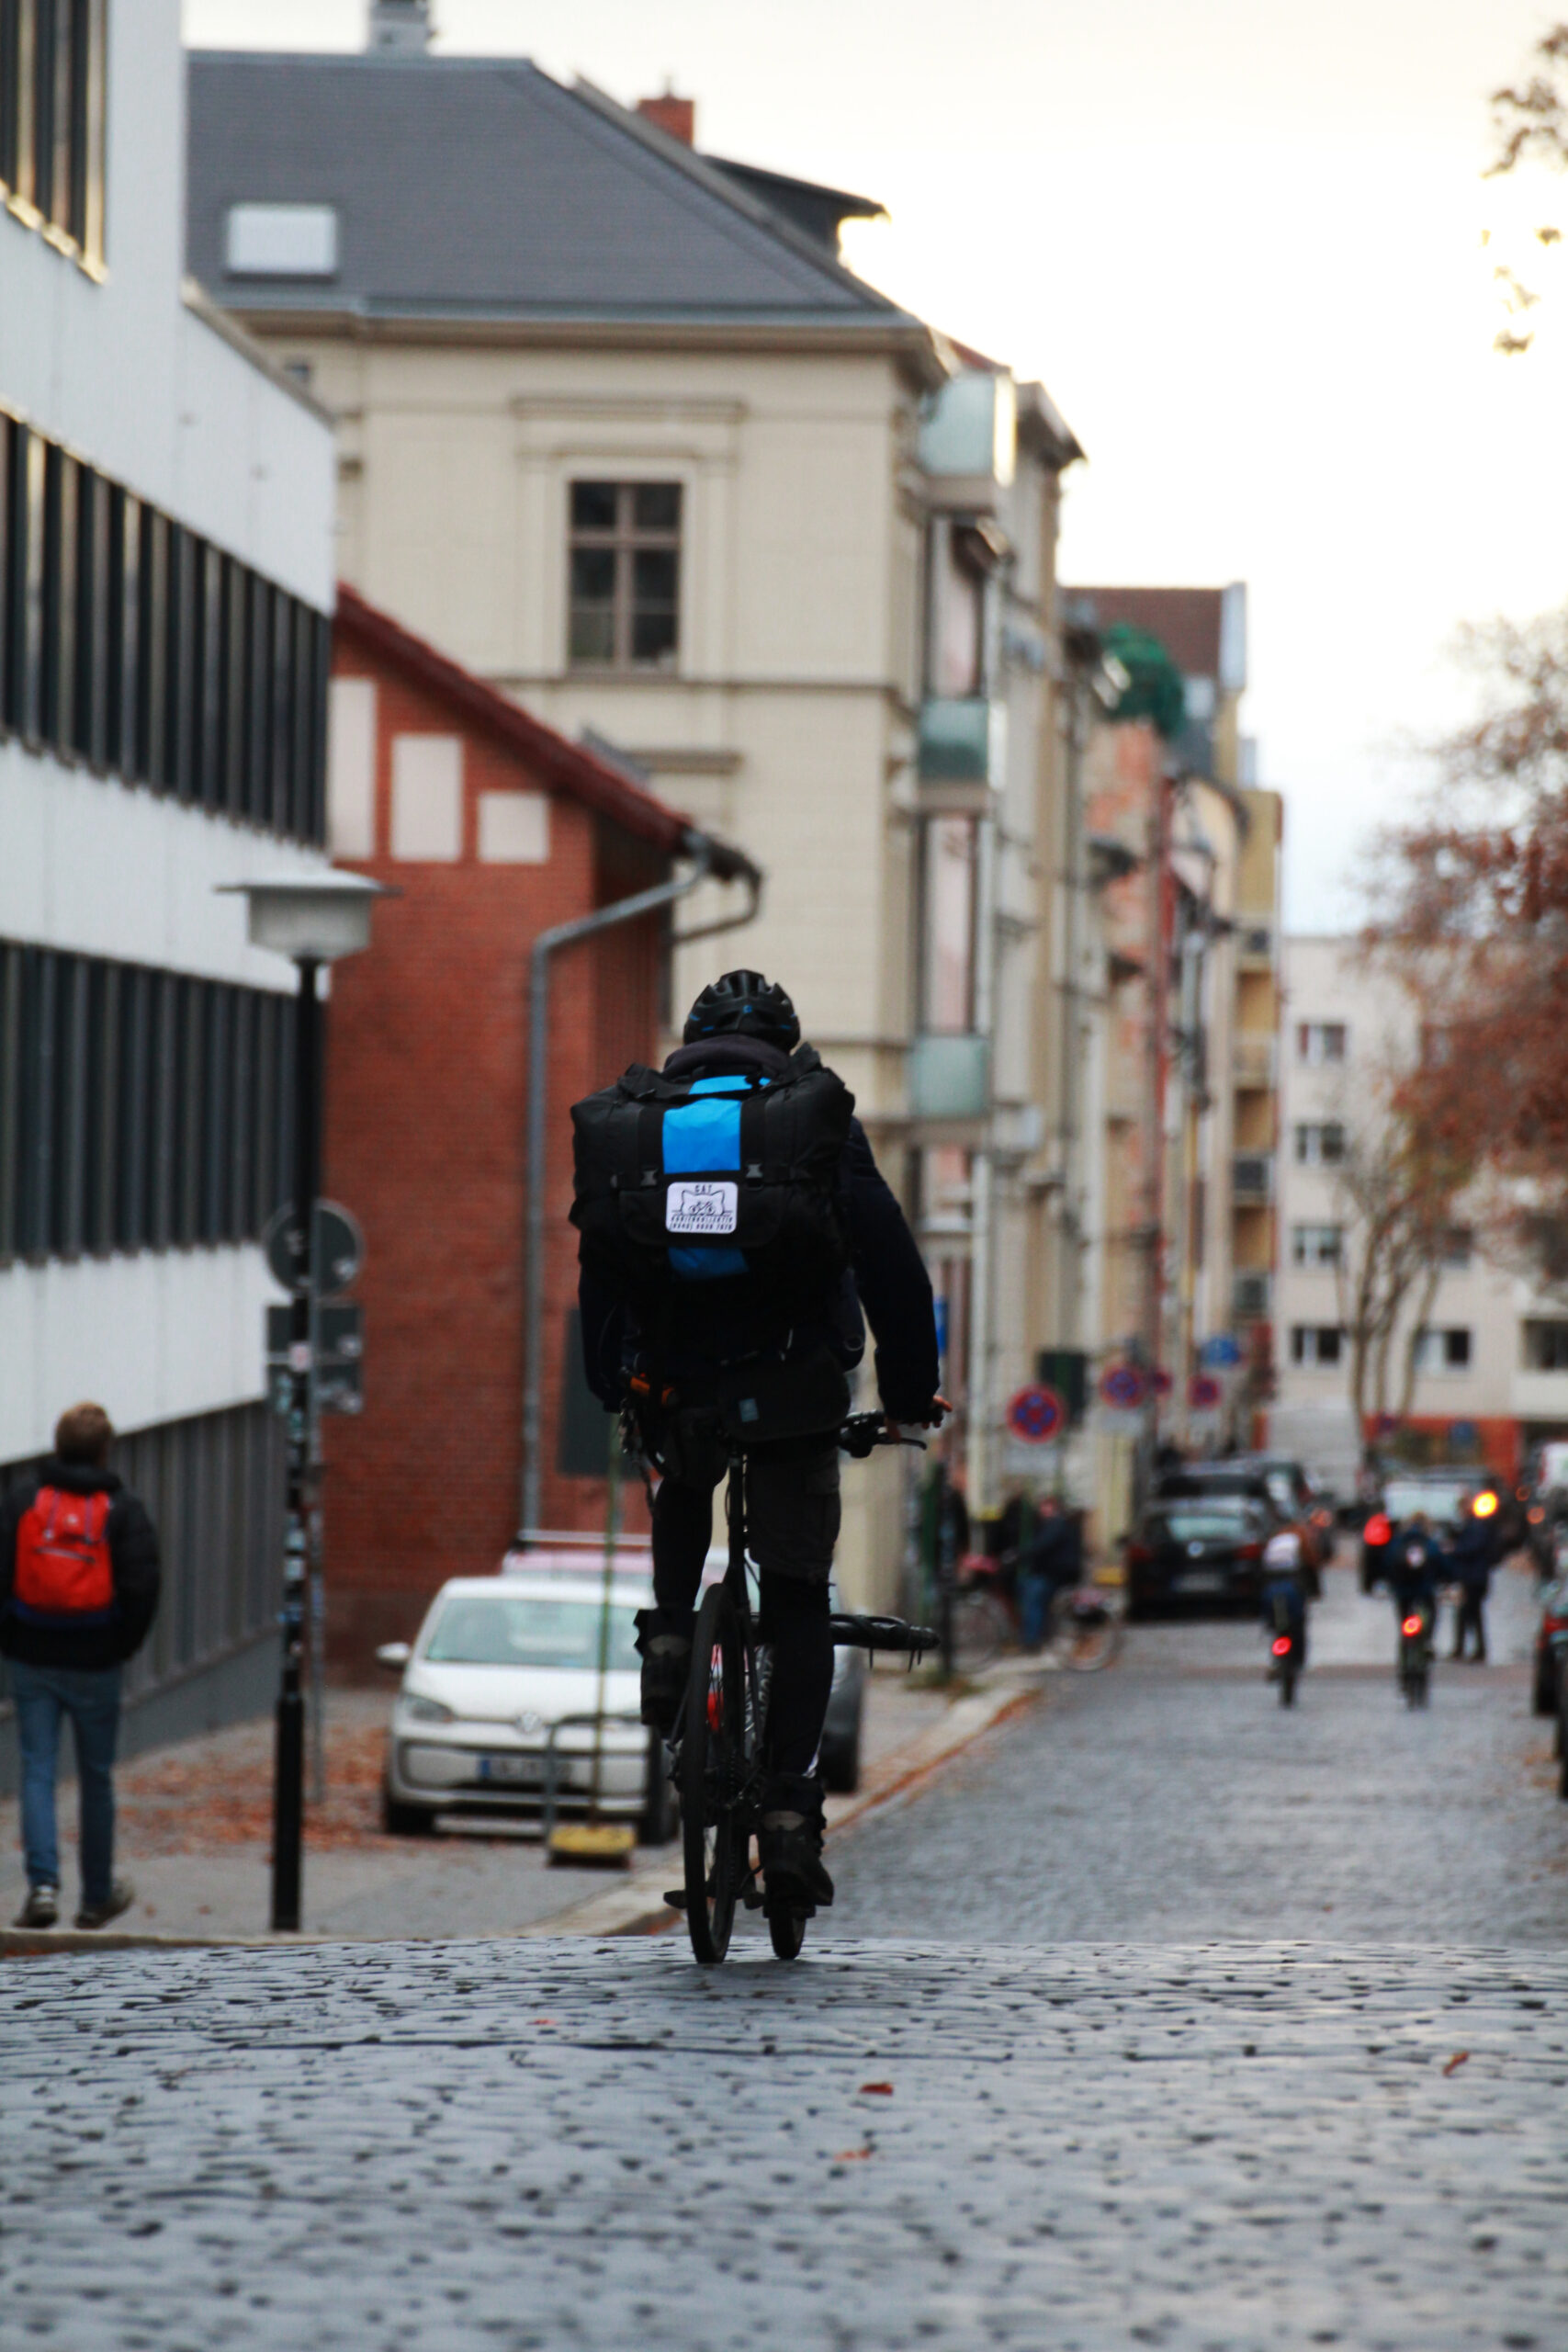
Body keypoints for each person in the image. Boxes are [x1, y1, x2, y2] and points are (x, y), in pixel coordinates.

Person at [574, 970, 942, 1912]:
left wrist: (616, 1383)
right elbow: (890, 1261)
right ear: (787, 1046)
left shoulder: (640, 1121)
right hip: (793, 1390)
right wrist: (907, 1392)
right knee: (795, 1597)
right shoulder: (812, 1119)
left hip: (677, 1384)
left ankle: (666, 1635)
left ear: (689, 1043)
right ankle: (785, 1818)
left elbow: (604, 1264)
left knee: (680, 1479)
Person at [0, 1403, 160, 1930]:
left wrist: (12, 1636)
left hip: (32, 1656)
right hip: (96, 1662)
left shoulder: (23, 1501)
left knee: (38, 1771)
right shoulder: (122, 1509)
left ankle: (42, 1888)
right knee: (96, 1779)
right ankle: (95, 1896)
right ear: (103, 1449)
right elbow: (142, 1586)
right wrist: (119, 1646)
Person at [1017, 1495, 1084, 1651]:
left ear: (1055, 1508)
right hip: (1055, 1572)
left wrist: (1021, 1554)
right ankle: (1038, 1635)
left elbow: (1042, 1546)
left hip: (1053, 1573)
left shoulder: (1056, 1524)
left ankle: (1032, 1640)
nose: (1043, 1510)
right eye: (1042, 1507)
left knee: (1034, 1600)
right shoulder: (1055, 1524)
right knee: (1035, 1598)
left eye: (1047, 1506)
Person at [1447, 1494, 1497, 1664]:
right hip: (1472, 1577)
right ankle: (1469, 1649)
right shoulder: (1471, 1526)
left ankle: (1473, 1649)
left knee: (1470, 1614)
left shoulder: (1476, 1527)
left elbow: (1473, 1547)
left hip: (1474, 1578)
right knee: (1469, 1614)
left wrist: (1455, 1549)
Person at [1385, 1510, 1442, 1651]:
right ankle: (1427, 1641)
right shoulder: (1429, 1543)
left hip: (1403, 1590)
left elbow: (1387, 1562)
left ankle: (1405, 1643)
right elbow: (1442, 1564)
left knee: (1404, 1617)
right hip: (1424, 1589)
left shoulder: (1399, 1542)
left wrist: (1390, 1583)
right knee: (1430, 1612)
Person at [1260, 1524, 1309, 1669]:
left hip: (1270, 1575)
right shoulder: (1298, 1540)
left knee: (1275, 1622)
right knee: (1299, 1619)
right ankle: (1298, 1660)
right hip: (1291, 1575)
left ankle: (1272, 1625)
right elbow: (1309, 1560)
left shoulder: (1274, 1540)